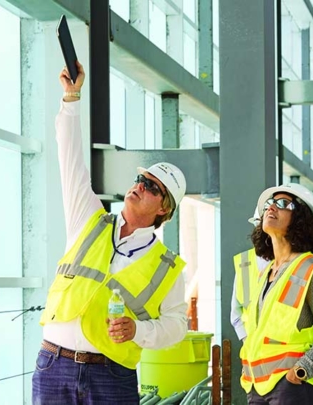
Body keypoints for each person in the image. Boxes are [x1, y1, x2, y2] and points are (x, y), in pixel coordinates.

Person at [32, 62, 188, 405]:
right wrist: (71, 97)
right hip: (54, 365)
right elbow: (69, 159)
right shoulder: (87, 218)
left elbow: (178, 324)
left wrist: (140, 331)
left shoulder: (168, 266)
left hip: (111, 375)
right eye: (141, 180)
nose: (139, 187)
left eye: (151, 187)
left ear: (165, 209)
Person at [241, 183, 313, 405]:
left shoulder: (310, 270)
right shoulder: (266, 273)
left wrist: (302, 371)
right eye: (270, 203)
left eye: (282, 204)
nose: (271, 208)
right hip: (259, 385)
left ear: (300, 219)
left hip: (295, 387)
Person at [231, 208, 269, 340]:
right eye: (258, 224)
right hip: (252, 351)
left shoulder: (292, 261)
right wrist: (247, 342)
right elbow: (236, 314)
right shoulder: (244, 262)